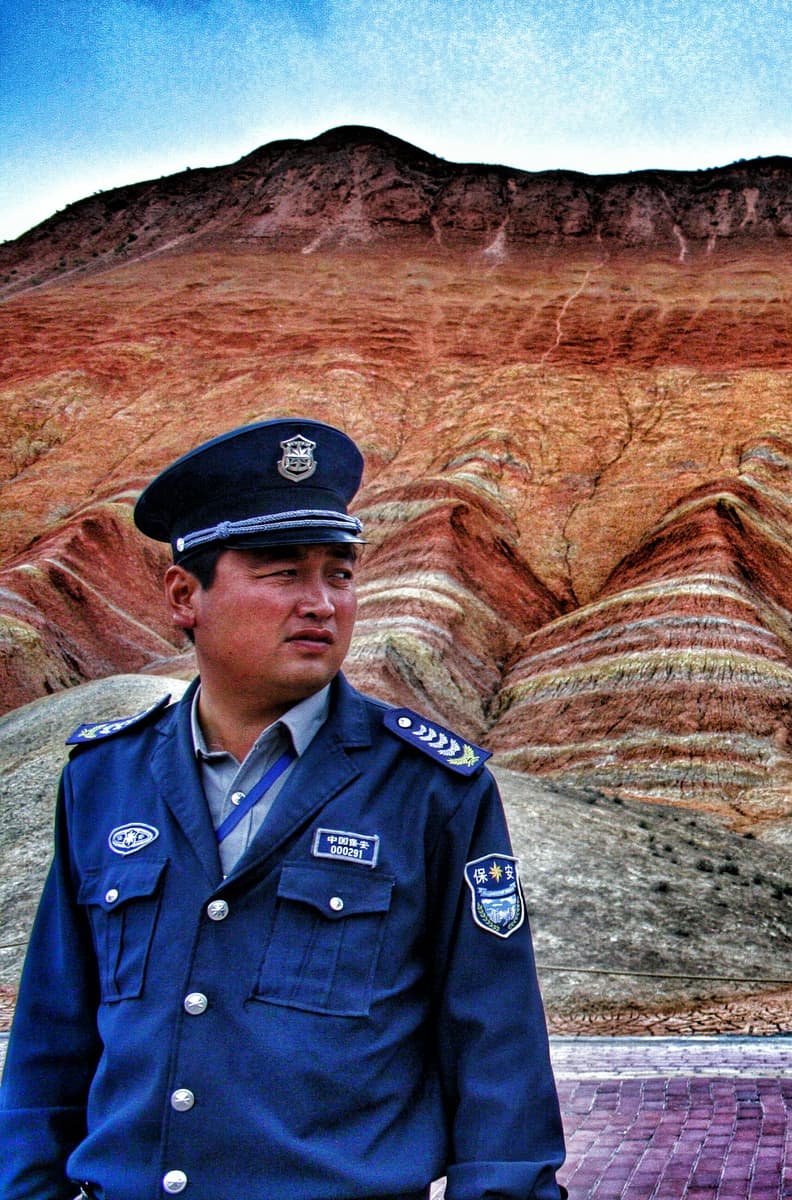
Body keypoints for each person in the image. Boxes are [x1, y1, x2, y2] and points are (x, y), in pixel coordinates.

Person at [0, 418, 567, 1200]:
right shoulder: (105, 777)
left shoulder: (431, 788)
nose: (321, 603)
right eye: (282, 573)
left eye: (338, 573)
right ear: (183, 596)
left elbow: (496, 1051)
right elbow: (50, 1040)